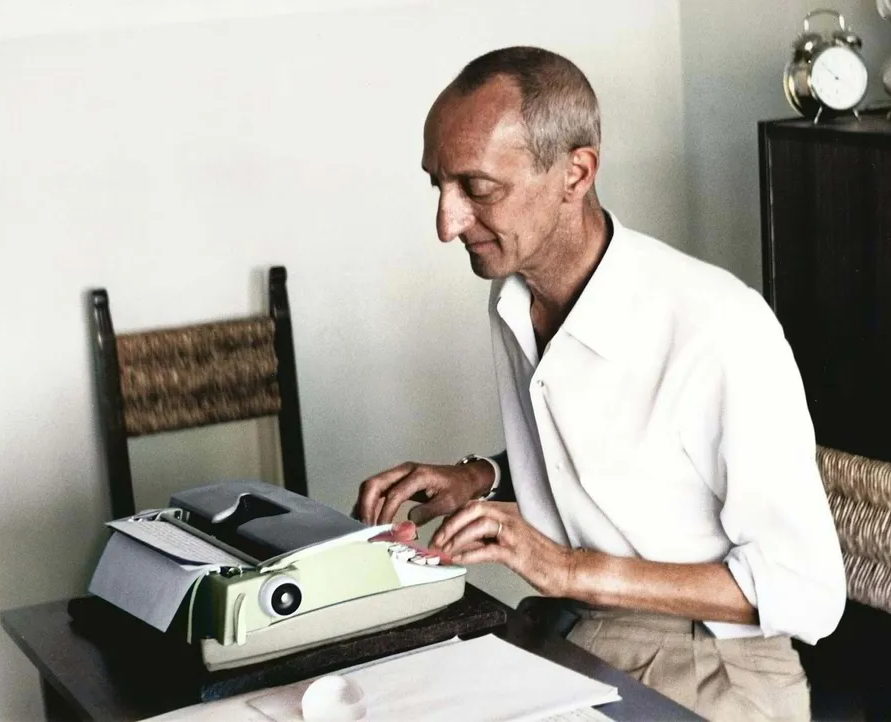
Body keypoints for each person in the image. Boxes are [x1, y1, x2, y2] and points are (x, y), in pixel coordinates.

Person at [353, 46, 846, 721]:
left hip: (715, 666)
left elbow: (808, 591)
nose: (446, 222)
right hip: (580, 629)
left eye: (477, 188)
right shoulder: (512, 295)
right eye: (437, 184)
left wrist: (566, 569)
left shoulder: (715, 326)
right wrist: (481, 477)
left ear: (575, 172)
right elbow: (624, 459)